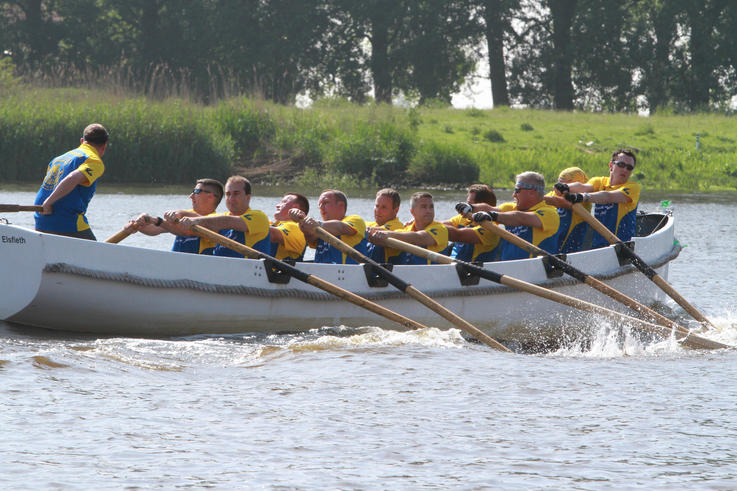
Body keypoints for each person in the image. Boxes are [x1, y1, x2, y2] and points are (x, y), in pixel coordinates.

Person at [34, 123, 109, 240]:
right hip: (67, 221)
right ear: (104, 146)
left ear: (82, 141)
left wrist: (46, 203)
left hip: (41, 219)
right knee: (95, 256)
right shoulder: (93, 160)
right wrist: (48, 202)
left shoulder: (59, 159)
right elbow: (72, 178)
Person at [466, 171, 560, 260]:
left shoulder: (550, 213)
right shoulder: (511, 207)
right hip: (510, 267)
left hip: (536, 268)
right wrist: (471, 207)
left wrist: (493, 216)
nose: (513, 194)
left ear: (531, 192)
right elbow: (489, 208)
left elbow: (521, 218)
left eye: (517, 190)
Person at [558, 149, 641, 248]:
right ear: (611, 165)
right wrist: (566, 187)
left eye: (629, 168)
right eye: (621, 165)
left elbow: (608, 197)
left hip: (623, 246)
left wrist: (583, 197)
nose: (625, 170)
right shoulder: (599, 181)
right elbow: (583, 187)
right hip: (599, 246)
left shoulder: (633, 188)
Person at [177, 176, 270, 258]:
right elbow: (196, 220)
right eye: (228, 194)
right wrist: (166, 222)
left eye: (236, 193)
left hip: (250, 272)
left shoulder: (259, 217)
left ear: (248, 197)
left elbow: (228, 221)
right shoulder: (218, 217)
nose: (231, 198)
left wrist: (194, 221)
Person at [133, 178, 224, 254]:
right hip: (178, 263)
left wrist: (159, 220)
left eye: (196, 191)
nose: (191, 196)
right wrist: (142, 222)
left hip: (199, 266)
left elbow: (186, 231)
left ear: (210, 197)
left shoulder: (217, 221)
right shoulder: (184, 215)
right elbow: (153, 229)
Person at [289, 189, 368, 264]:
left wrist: (316, 224)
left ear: (341, 205)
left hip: (345, 274)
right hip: (322, 272)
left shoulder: (355, 219)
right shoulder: (321, 227)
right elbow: (311, 239)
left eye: (325, 202)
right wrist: (301, 220)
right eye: (320, 205)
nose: (321, 207)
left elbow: (341, 227)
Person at [369, 192, 448, 265]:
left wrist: (387, 234)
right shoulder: (404, 230)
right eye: (424, 207)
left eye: (431, 207)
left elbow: (419, 237)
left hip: (433, 277)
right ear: (412, 211)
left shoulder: (441, 229)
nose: (428, 211)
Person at [445, 184, 501, 262]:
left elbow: (458, 235)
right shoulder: (464, 218)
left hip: (474, 271)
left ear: (482, 207)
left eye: (469, 205)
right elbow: (441, 225)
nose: (465, 208)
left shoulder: (491, 229)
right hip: (453, 266)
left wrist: (435, 230)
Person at [543, 167, 591, 253]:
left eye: (565, 185)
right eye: (559, 184)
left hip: (572, 250)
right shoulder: (554, 194)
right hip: (552, 249)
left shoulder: (582, 199)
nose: (560, 190)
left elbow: (559, 201)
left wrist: (532, 197)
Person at [365, 188, 404, 263]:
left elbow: (376, 232)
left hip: (386, 272)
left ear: (396, 210)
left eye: (384, 207)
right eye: (377, 206)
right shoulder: (371, 224)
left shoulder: (397, 226)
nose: (378, 211)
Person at [269, 193, 310, 261]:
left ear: (295, 208)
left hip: (278, 270)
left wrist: (250, 224)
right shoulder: (275, 224)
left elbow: (272, 234)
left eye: (284, 202)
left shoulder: (296, 227)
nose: (277, 206)